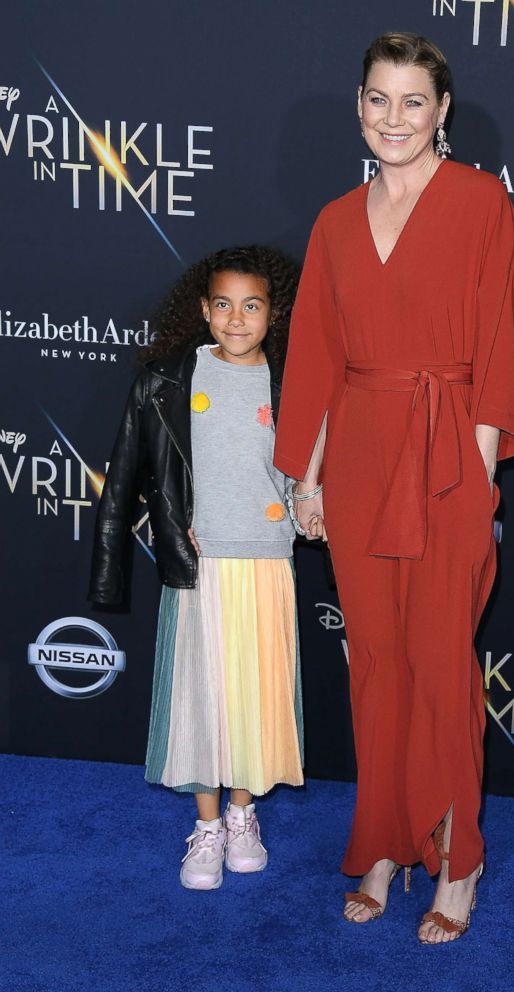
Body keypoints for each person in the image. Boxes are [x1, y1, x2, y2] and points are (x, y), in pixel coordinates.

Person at [273, 32, 514, 943]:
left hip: (450, 457)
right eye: (377, 99)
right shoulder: (336, 220)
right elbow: (317, 361)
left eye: (412, 101)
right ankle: (381, 844)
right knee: (374, 662)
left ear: (442, 111)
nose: (394, 118)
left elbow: (500, 337)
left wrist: (480, 469)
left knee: (441, 665)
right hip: (361, 461)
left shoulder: (480, 202)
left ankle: (455, 858)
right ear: (358, 107)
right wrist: (306, 479)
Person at [89, 245, 304, 890]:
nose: (237, 318)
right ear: (202, 310)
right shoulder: (167, 380)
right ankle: (207, 826)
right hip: (200, 564)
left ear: (274, 313)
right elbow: (125, 476)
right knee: (201, 699)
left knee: (255, 696)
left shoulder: (292, 379)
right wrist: (110, 567)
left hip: (267, 561)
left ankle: (243, 815)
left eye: (252, 305)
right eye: (223, 304)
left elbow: (315, 472)